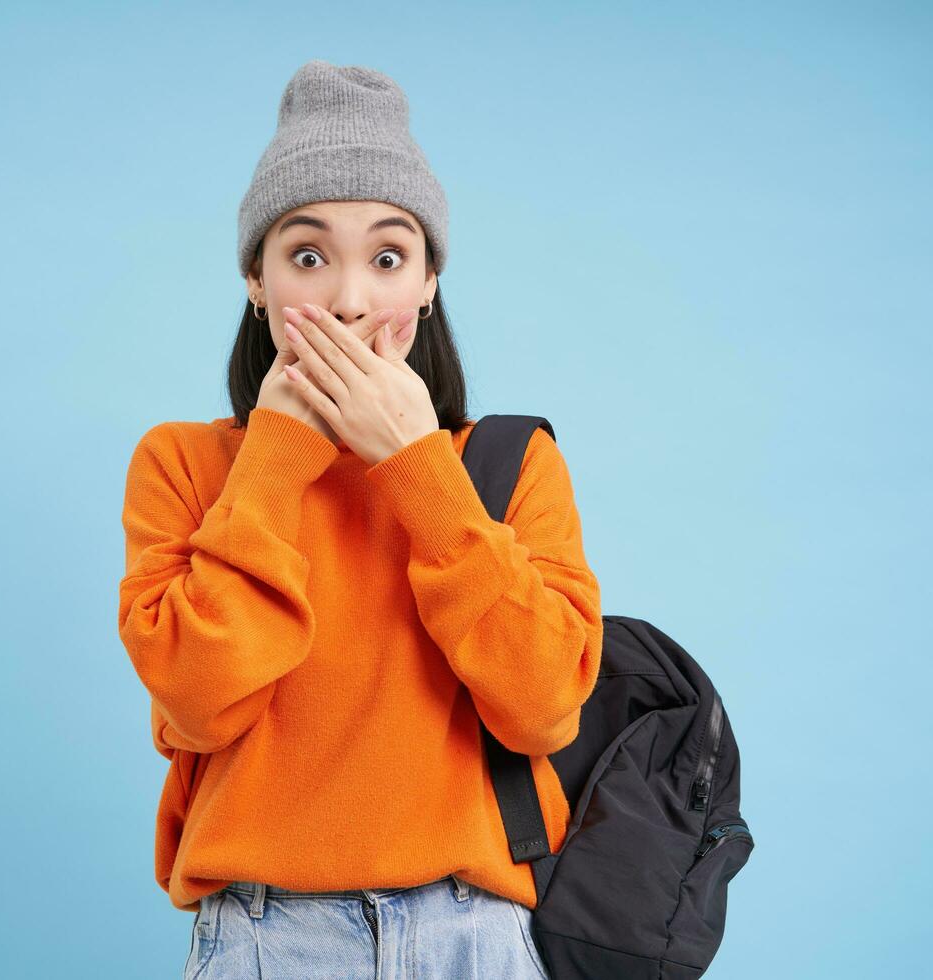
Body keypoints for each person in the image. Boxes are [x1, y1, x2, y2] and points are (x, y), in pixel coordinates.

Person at [118, 59, 602, 980]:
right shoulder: (183, 464)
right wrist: (275, 459)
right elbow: (195, 697)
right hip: (265, 936)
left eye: (388, 258)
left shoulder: (506, 467)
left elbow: (544, 708)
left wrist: (417, 468)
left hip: (473, 935)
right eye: (307, 255)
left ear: (427, 286)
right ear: (254, 280)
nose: (347, 299)